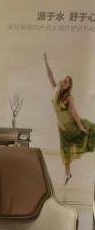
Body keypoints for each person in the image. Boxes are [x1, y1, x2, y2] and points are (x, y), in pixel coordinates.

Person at [43, 52, 95, 185]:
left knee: (88, 134)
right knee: (65, 151)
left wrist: (81, 126)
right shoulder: (55, 89)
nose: (65, 83)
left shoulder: (69, 97)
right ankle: (67, 175)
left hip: (72, 125)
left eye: (68, 82)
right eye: (65, 80)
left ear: (68, 86)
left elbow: (74, 112)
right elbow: (49, 74)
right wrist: (46, 61)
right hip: (62, 128)